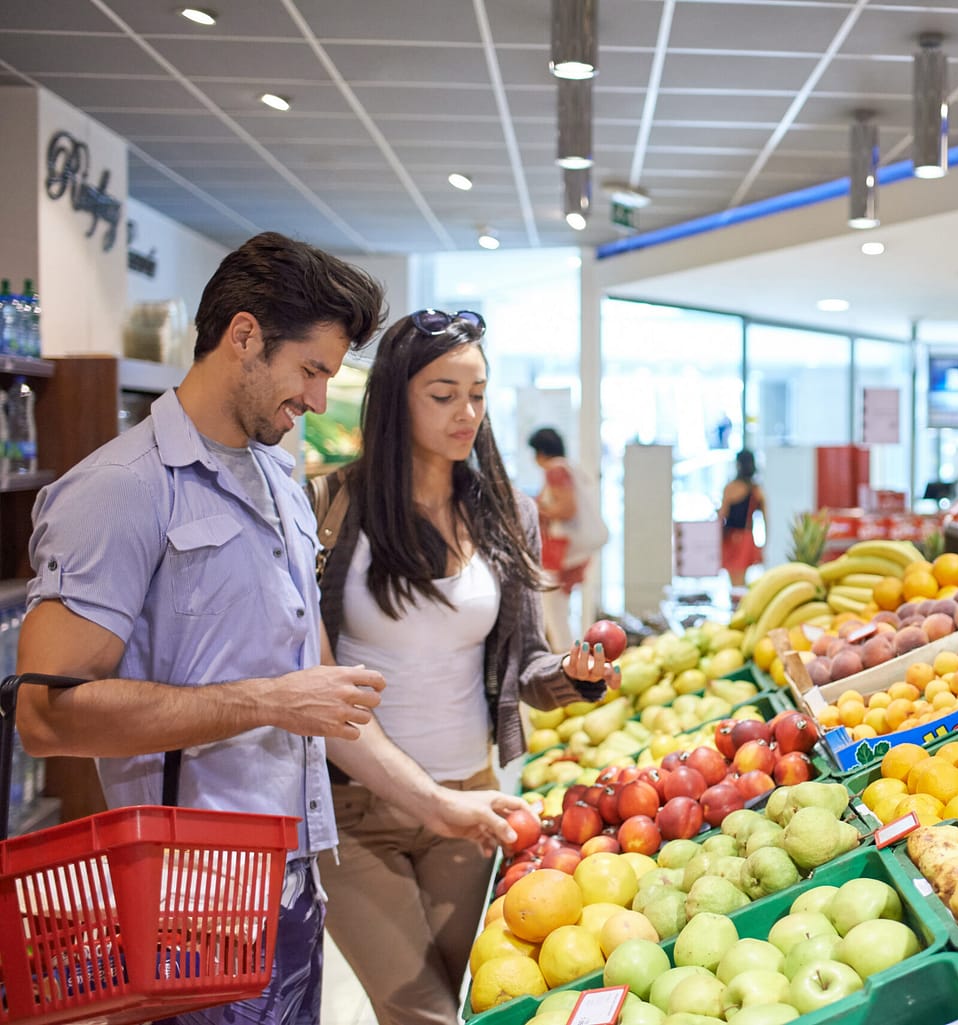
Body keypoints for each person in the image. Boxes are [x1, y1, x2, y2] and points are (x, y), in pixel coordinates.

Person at [11, 233, 572, 1025]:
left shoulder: (277, 476)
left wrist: (436, 805)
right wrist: (269, 701)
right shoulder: (119, 489)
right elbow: (44, 715)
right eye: (310, 370)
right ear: (244, 336)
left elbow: (323, 699)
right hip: (190, 908)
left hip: (292, 886)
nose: (316, 398)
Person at [309, 311, 617, 1025]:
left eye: (477, 394)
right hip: (354, 811)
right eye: (443, 394)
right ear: (395, 399)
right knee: (418, 1010)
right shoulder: (330, 506)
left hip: (471, 799)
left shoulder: (505, 512)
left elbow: (525, 662)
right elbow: (307, 665)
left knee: (472, 998)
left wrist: (572, 675)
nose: (466, 413)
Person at [528, 426, 599, 650]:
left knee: (553, 608)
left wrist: (537, 510)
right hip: (572, 548)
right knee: (556, 607)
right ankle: (565, 654)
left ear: (540, 452)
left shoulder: (555, 471)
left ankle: (564, 658)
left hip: (562, 550)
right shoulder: (569, 468)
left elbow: (567, 508)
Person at [720, 450, 766, 587]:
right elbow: (766, 519)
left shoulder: (730, 488)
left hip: (730, 537)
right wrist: (764, 546)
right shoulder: (757, 491)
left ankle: (737, 600)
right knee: (741, 580)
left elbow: (722, 515)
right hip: (746, 538)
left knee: (734, 580)